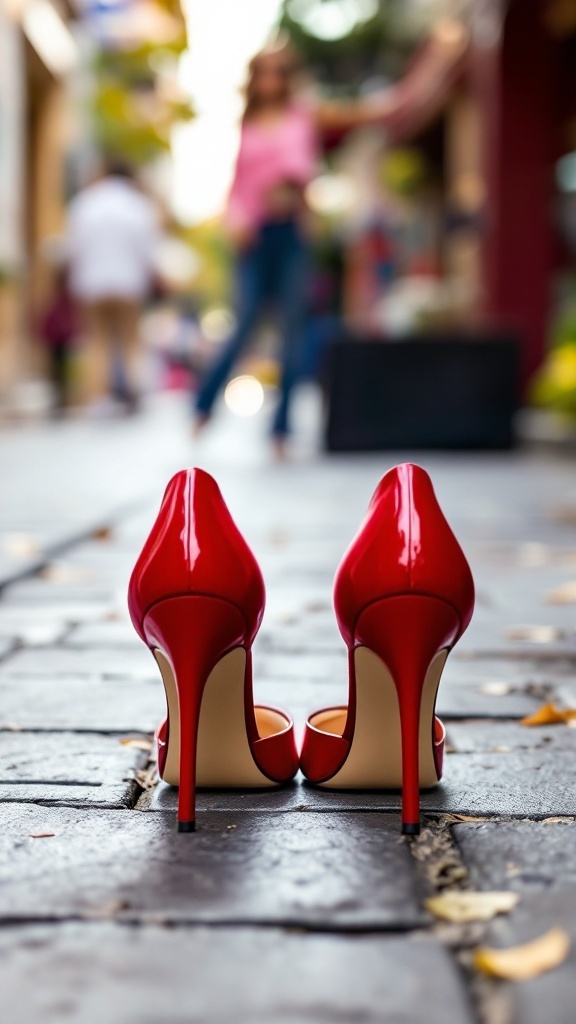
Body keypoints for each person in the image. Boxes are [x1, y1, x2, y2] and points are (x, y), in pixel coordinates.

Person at [193, 38, 404, 454]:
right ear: (255, 79)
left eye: (279, 72)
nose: (271, 80)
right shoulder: (247, 122)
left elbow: (311, 162)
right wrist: (235, 221)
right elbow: (237, 183)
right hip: (253, 235)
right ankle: (201, 408)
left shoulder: (301, 117)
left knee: (293, 331)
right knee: (246, 321)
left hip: (291, 232)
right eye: (264, 72)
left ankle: (281, 430)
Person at [66, 160, 160, 414]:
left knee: (97, 341)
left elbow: (74, 247)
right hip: (128, 282)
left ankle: (99, 401)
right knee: (130, 341)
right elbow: (148, 250)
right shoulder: (138, 206)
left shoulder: (86, 203)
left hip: (92, 282)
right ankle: (134, 393)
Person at [38, 263, 77, 417]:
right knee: (62, 371)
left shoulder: (55, 299)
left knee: (58, 371)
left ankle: (62, 401)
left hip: (57, 339)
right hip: (63, 338)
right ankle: (63, 401)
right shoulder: (66, 299)